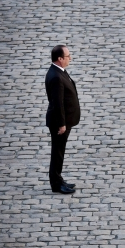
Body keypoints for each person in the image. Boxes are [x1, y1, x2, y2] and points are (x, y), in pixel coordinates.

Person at [45, 45, 80, 194]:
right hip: (60, 123)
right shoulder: (56, 77)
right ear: (59, 59)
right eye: (67, 56)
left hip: (65, 120)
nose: (70, 58)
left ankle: (58, 179)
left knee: (60, 151)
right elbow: (57, 103)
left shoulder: (59, 72)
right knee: (57, 153)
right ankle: (56, 184)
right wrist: (62, 124)